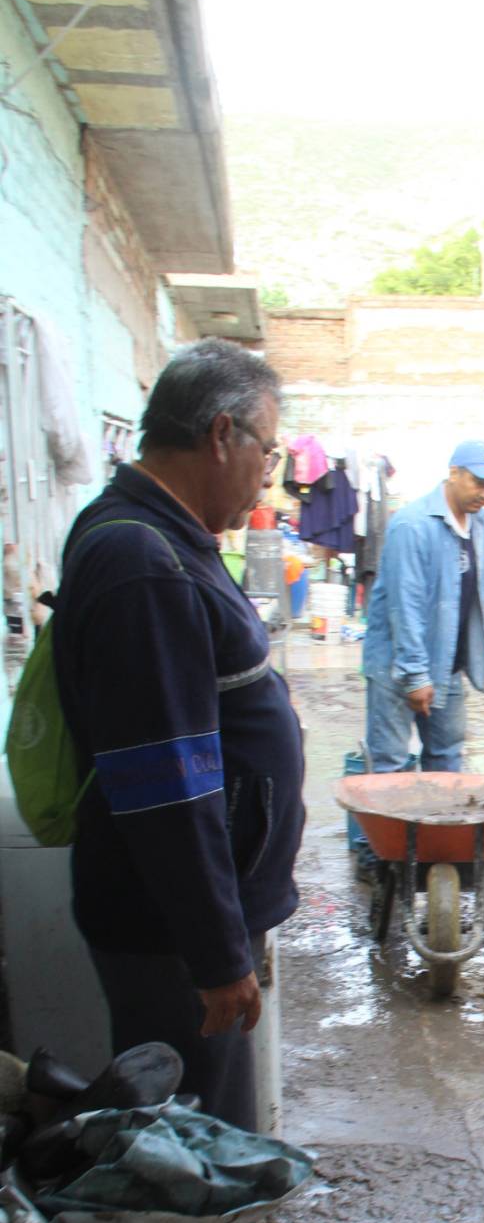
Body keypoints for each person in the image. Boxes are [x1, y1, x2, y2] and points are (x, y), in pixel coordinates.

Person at [54, 339, 305, 1137]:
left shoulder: (166, 537)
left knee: (200, 1123)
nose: (271, 471)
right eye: (268, 450)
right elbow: (168, 783)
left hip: (188, 916)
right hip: (172, 930)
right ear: (222, 435)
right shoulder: (144, 562)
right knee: (198, 1141)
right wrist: (218, 954)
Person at [362, 439, 484, 776]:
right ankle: (392, 831)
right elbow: (405, 608)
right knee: (391, 766)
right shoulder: (412, 526)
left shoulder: (482, 526)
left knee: (446, 759)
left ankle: (438, 832)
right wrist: (415, 676)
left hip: (446, 665)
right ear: (454, 473)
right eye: (478, 482)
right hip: (395, 666)